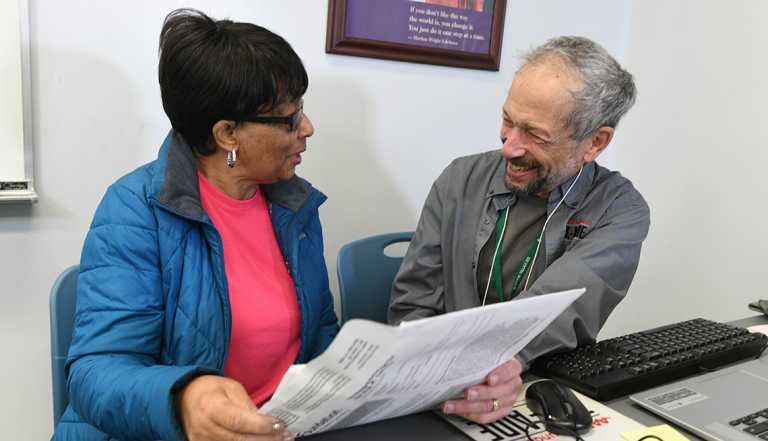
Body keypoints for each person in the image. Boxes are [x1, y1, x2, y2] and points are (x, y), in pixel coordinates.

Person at [53, 9, 338, 441]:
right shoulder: (135, 210)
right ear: (227, 135)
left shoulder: (294, 206)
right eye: (289, 118)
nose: (307, 128)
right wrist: (183, 399)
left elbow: (320, 335)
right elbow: (96, 370)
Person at [389, 36, 650, 423]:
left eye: (535, 134)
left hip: (547, 391)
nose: (510, 146)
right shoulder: (460, 179)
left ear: (595, 142)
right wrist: (438, 376)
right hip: (446, 387)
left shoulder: (619, 209)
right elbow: (413, 305)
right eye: (508, 120)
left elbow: (563, 302)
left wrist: (500, 368)